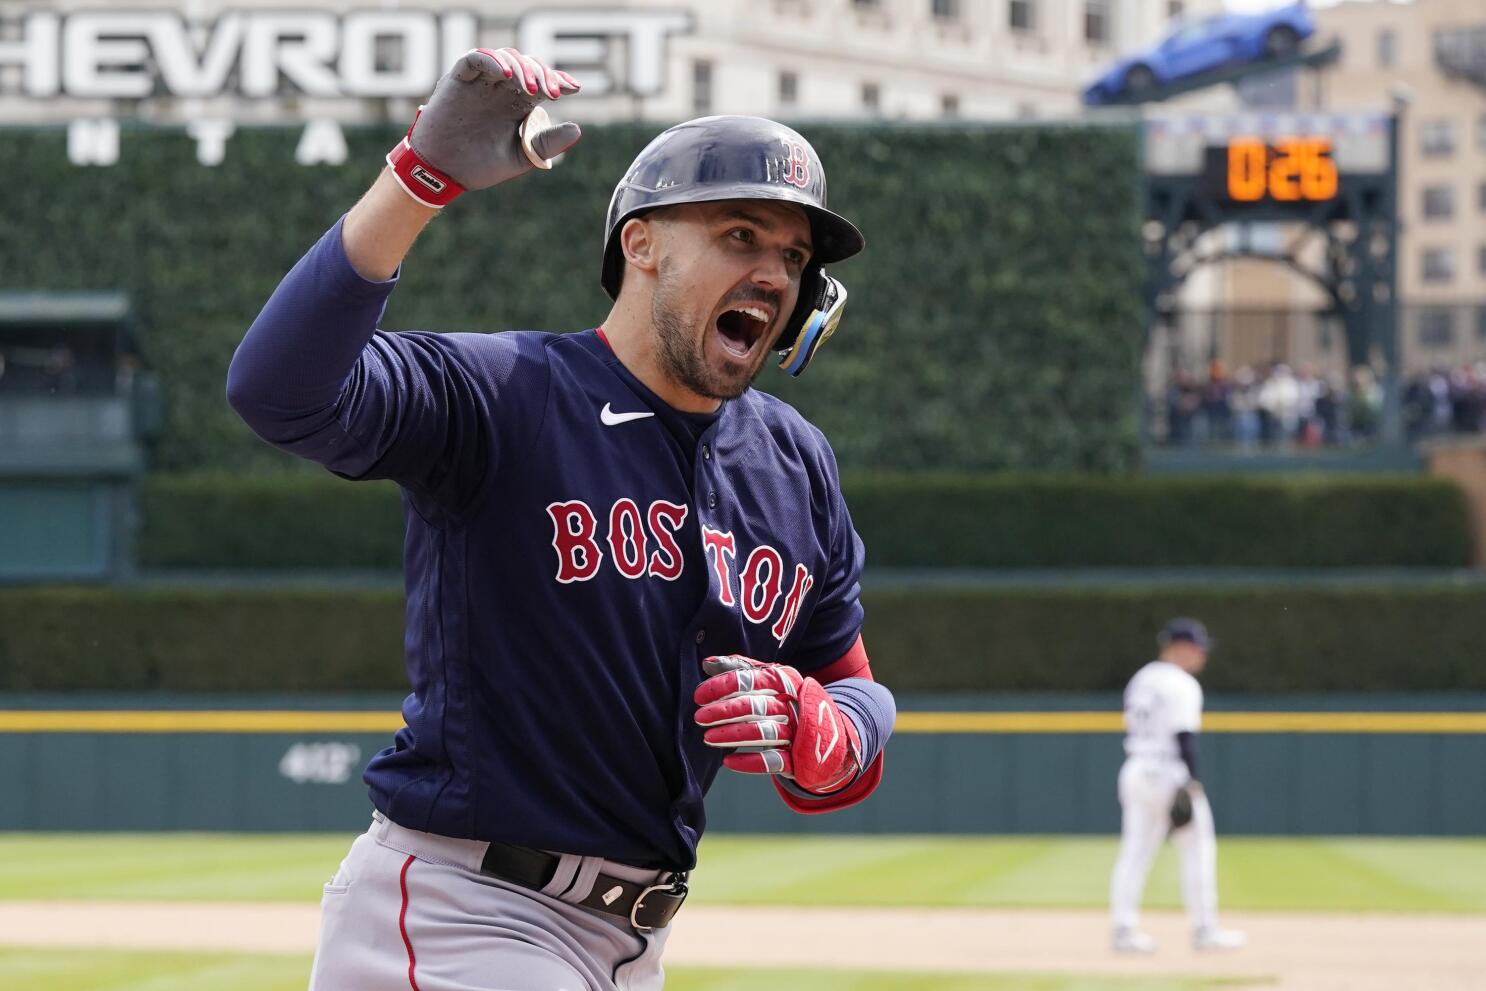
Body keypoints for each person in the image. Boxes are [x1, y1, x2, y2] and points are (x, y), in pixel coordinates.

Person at [226, 46, 895, 991]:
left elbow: (855, 694)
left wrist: (834, 728)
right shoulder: (505, 394)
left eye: (793, 256)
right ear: (642, 241)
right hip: (468, 913)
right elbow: (279, 391)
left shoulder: (796, 464)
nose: (775, 273)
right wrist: (416, 181)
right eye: (740, 235)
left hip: (633, 944)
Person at [1109, 618, 1244, 954]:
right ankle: (1205, 929)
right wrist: (1191, 782)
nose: (1203, 655)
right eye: (1199, 648)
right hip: (1168, 771)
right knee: (1198, 849)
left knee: (1135, 853)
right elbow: (1184, 737)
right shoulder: (1181, 683)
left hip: (1136, 769)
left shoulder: (1142, 678)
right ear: (1181, 647)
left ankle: (1123, 930)